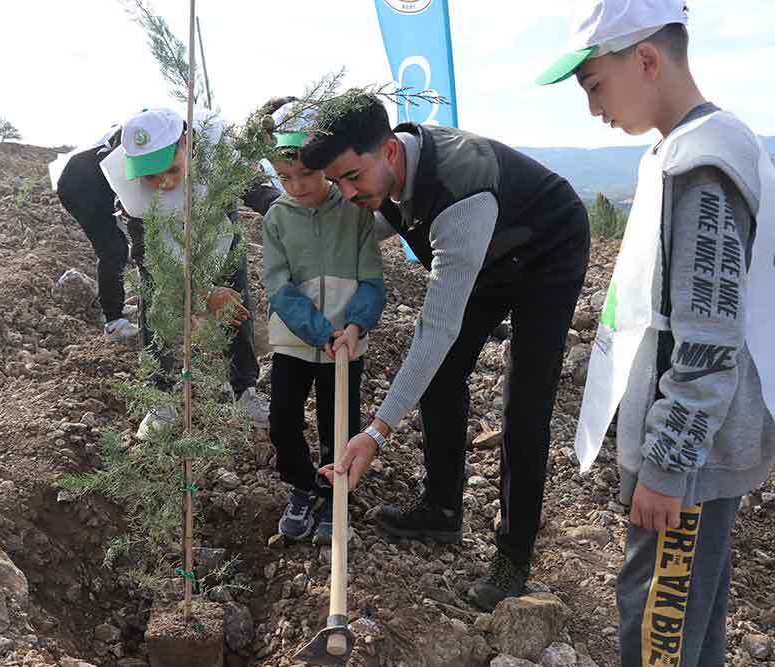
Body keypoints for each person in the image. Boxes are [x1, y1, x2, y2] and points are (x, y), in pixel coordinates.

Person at [537, 1, 775, 664]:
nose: (592, 109)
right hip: (696, 459)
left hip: (688, 467)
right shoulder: (689, 148)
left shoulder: (701, 165)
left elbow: (708, 337)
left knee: (655, 640)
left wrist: (667, 468)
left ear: (645, 59)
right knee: (692, 635)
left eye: (594, 85)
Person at [304, 93, 590, 610]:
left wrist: (374, 433)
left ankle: (513, 557)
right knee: (441, 375)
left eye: (351, 178)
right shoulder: (387, 172)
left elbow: (434, 331)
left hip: (547, 247)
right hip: (490, 252)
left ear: (389, 152)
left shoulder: (461, 198)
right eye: (336, 183)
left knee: (524, 404)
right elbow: (365, 236)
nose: (346, 193)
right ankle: (440, 510)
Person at [103, 107, 278, 431]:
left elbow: (252, 185)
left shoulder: (216, 146)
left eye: (170, 169)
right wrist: (200, 293)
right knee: (155, 304)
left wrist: (280, 207)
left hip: (214, 216)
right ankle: (161, 400)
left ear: (185, 140)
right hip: (164, 234)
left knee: (233, 298)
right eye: (150, 176)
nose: (163, 183)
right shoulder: (132, 193)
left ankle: (244, 390)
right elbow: (150, 257)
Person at [263, 102, 386, 545]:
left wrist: (354, 326)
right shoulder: (276, 218)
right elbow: (278, 286)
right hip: (295, 344)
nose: (297, 186)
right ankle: (303, 486)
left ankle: (338, 495)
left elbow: (372, 278)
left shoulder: (354, 212)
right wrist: (319, 331)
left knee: (341, 425)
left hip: (347, 347)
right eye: (285, 177)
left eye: (305, 175)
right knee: (282, 422)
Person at [49, 126, 140, 340]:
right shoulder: (151, 132)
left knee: (116, 244)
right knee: (111, 249)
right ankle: (113, 323)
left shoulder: (159, 128)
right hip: (82, 183)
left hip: (89, 178)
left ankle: (115, 309)